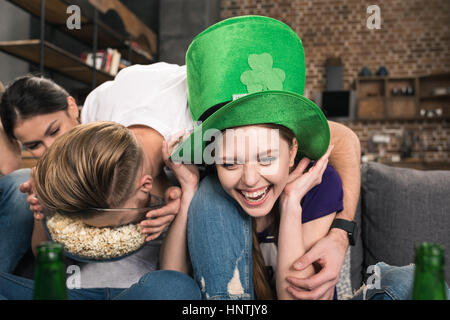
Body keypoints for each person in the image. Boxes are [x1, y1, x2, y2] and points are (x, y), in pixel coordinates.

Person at [161, 15, 360, 300]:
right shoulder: (212, 191)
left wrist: (291, 202)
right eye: (230, 162)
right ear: (213, 157)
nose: (251, 179)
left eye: (266, 159)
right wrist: (189, 189)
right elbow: (169, 285)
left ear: (292, 152)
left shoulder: (319, 184)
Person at [0, 65, 190, 272]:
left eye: (54, 131)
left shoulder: (191, 130)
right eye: (34, 145)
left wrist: (186, 197)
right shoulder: (96, 106)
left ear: (72, 107)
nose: (53, 149)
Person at [0, 121, 202, 300]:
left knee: (176, 287)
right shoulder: (74, 201)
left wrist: (189, 188)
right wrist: (42, 211)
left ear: (145, 187)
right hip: (70, 293)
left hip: (134, 294)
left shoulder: (167, 205)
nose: (101, 232)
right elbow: (44, 256)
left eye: (114, 223)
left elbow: (173, 273)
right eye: (84, 225)